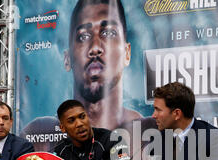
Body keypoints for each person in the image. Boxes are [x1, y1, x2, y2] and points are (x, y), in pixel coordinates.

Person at [21, 0, 142, 151]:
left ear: (127, 53)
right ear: (67, 59)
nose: (95, 48)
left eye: (108, 33)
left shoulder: (145, 132)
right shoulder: (39, 134)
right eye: (83, 36)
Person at [129, 82, 218, 160]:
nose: (153, 115)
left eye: (158, 110)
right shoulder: (158, 138)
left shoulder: (215, 139)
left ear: (177, 114)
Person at [54, 99, 132, 160]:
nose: (79, 124)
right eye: (71, 121)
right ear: (63, 128)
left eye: (82, 117)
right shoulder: (60, 149)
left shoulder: (112, 139)